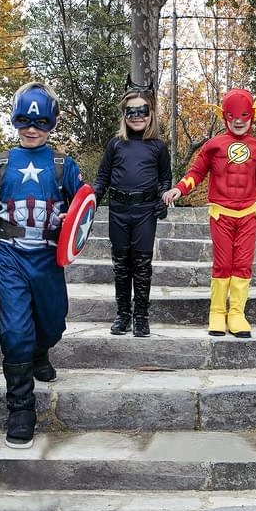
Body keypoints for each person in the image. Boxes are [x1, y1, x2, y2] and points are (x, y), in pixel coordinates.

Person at [0, 82, 84, 448]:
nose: (32, 129)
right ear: (15, 119)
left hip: (48, 257)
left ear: (52, 123)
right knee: (15, 333)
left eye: (41, 122)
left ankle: (40, 351)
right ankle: (20, 408)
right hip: (11, 256)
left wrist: (69, 221)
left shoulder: (64, 165)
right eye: (24, 121)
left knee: (53, 323)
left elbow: (84, 209)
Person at [163, 88, 256, 338]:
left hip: (248, 214)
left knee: (242, 265)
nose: (239, 121)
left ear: (252, 115)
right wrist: (180, 189)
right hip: (221, 214)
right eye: (232, 115)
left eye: (244, 115)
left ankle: (237, 314)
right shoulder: (213, 145)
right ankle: (217, 312)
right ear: (225, 116)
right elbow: (197, 171)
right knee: (223, 264)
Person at [93, 76, 171, 338]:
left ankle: (141, 317)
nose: (137, 116)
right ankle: (123, 314)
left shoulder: (158, 147)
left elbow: (165, 179)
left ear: (151, 114)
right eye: (131, 112)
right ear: (124, 114)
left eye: (142, 111)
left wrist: (162, 199)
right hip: (118, 210)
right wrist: (90, 203)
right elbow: (103, 177)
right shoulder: (115, 144)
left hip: (145, 212)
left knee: (142, 264)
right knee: (121, 265)